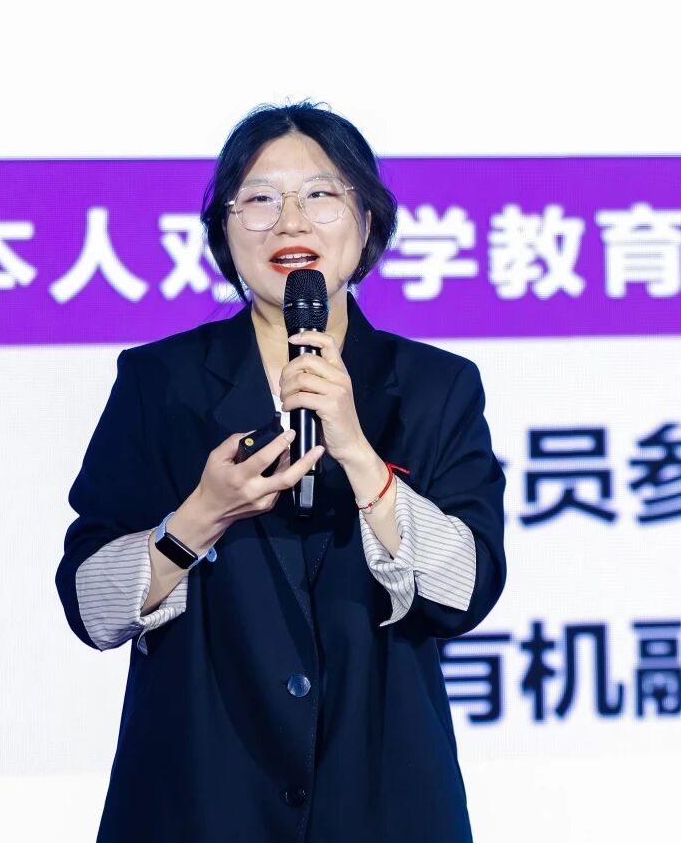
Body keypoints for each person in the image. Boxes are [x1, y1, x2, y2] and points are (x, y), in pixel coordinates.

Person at [55, 102, 506, 843]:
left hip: (383, 802)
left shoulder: (435, 387)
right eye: (260, 199)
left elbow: (466, 590)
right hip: (197, 800)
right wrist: (199, 517)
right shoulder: (159, 382)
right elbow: (90, 606)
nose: (290, 221)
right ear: (225, 232)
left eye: (321, 195)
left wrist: (360, 455)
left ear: (366, 221)